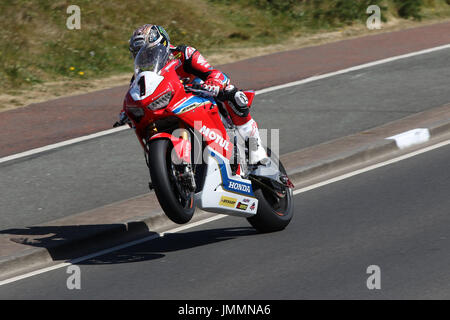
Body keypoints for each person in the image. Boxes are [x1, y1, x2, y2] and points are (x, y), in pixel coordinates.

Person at [121, 24, 268, 166]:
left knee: (232, 93)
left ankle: (256, 149)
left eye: (148, 51)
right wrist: (126, 112)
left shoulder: (184, 54)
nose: (145, 56)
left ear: (162, 44)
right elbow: (137, 97)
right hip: (170, 107)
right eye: (139, 53)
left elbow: (213, 72)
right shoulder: (140, 77)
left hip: (201, 95)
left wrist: (213, 83)